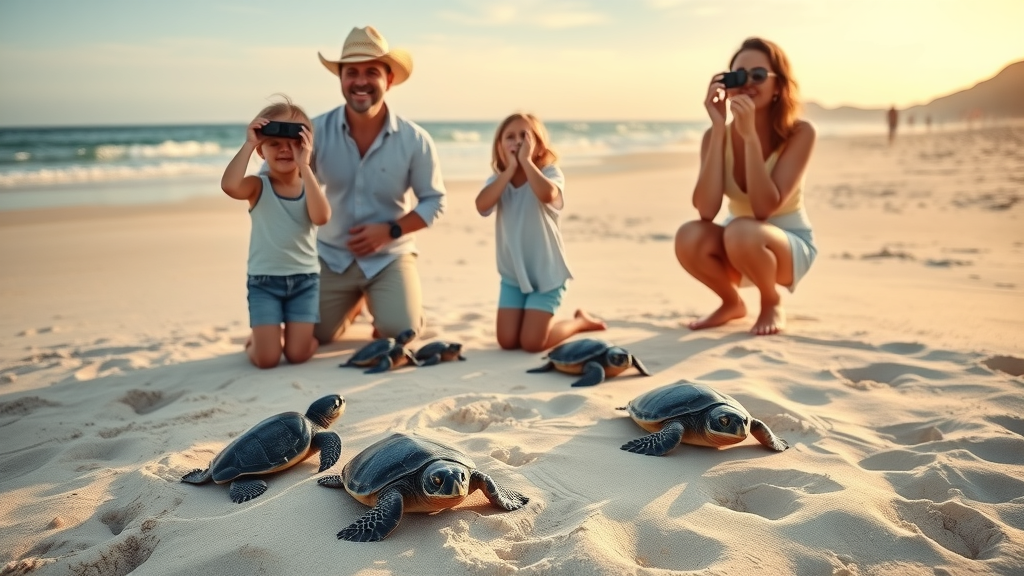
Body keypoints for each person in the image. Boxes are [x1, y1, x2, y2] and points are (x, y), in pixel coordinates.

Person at [311, 26, 446, 344]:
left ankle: (384, 300)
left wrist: (391, 230)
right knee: (314, 335)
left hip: (390, 256)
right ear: (340, 78)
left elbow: (434, 201)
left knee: (402, 333)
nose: (360, 81)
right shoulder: (314, 131)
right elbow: (278, 183)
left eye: (371, 71)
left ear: (390, 79)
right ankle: (356, 302)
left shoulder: (415, 139)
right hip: (331, 257)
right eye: (351, 72)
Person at [674, 37, 817, 336]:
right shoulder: (714, 136)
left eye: (759, 75)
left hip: (786, 246)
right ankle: (731, 303)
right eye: (739, 75)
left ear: (778, 86)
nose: (748, 83)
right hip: (738, 242)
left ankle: (771, 300)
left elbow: (765, 209)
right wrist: (717, 129)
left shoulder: (800, 133)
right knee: (688, 235)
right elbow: (706, 210)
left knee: (741, 228)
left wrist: (750, 137)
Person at [475, 113, 606, 352]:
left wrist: (526, 163)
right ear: (499, 145)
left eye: (524, 136)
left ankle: (579, 322)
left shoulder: (549, 174)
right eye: (510, 137)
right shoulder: (497, 181)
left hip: (547, 276)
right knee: (507, 342)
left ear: (538, 145)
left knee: (532, 343)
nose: (517, 142)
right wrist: (510, 169)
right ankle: (531, 317)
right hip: (513, 276)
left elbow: (547, 195)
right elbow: (482, 205)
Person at [221, 98, 330, 368]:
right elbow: (229, 185)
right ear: (262, 150)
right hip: (264, 283)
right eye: (274, 143)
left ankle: (291, 338)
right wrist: (249, 143)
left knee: (298, 355)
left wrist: (305, 166)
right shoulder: (258, 186)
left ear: (306, 146)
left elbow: (322, 217)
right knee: (267, 360)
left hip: (304, 282)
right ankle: (256, 341)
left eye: (294, 143)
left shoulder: (309, 186)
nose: (285, 150)